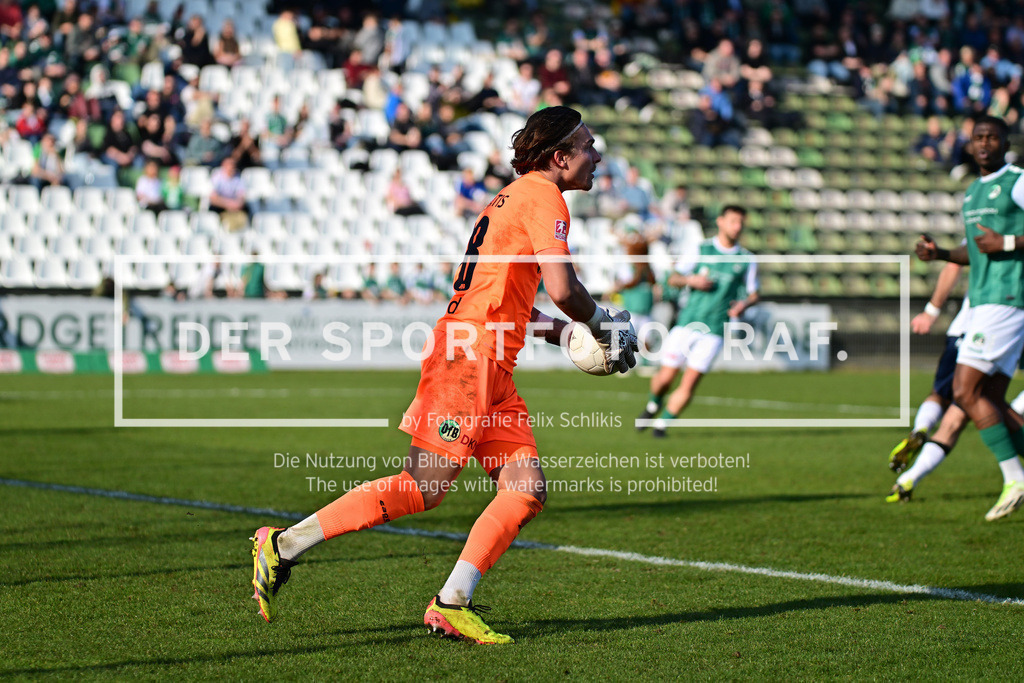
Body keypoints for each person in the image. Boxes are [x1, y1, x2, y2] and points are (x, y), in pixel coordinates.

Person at [249, 106, 637, 644]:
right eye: (590, 146)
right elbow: (565, 290)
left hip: (491, 360)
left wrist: (564, 335)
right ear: (560, 156)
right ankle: (283, 544)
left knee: (525, 490)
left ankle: (451, 602)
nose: (596, 156)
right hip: (467, 359)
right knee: (423, 487)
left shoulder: (514, 196)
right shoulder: (543, 197)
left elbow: (508, 300)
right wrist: (600, 325)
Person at [914, 115, 1024, 521]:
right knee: (991, 398)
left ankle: (1014, 479)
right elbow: (975, 252)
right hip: (983, 300)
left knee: (963, 391)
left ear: (1004, 142)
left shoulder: (1017, 180)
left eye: (992, 137)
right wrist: (941, 253)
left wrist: (1008, 241)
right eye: (978, 138)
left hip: (1007, 298)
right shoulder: (972, 191)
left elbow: (998, 244)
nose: (983, 144)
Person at [638, 205, 759, 438]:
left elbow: (754, 293)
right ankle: (654, 404)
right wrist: (690, 280)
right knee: (665, 378)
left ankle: (662, 425)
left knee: (690, 382)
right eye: (733, 221)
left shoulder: (746, 259)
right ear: (721, 222)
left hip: (714, 329)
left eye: (741, 222)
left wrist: (744, 304)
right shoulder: (701, 249)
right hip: (686, 324)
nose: (738, 226)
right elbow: (672, 279)